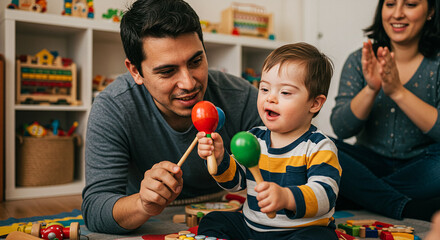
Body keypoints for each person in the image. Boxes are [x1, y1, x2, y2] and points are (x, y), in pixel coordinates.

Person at [81, 0, 262, 234]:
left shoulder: (242, 97)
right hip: (146, 220)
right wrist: (143, 203)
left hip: (225, 211)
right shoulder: (113, 107)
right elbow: (95, 209)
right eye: (167, 71)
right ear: (136, 71)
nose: (189, 83)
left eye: (196, 61)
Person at [196, 43, 341, 240]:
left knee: (320, 238)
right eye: (264, 88)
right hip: (252, 229)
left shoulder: (319, 146)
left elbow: (325, 194)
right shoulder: (255, 138)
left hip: (299, 231)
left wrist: (287, 197)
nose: (270, 98)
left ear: (314, 103)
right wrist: (219, 157)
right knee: (212, 221)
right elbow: (235, 182)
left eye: (285, 92)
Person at [330, 0, 440, 222]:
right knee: (317, 144)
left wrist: (398, 91)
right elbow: (341, 129)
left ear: (430, 11)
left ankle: (356, 193)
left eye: (410, 4)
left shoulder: (436, 64)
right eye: (390, 4)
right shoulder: (359, 60)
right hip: (367, 164)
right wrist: (372, 89)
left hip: (421, 167)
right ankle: (405, 206)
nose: (397, 14)